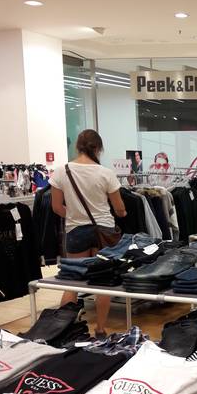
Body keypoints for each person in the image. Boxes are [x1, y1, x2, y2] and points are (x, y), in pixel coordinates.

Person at [49, 129, 127, 337]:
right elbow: (119, 209)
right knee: (103, 282)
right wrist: (122, 213)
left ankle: (63, 330)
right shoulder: (106, 173)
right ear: (98, 148)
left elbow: (56, 207)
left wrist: (75, 215)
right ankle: (100, 329)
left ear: (77, 146)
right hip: (105, 232)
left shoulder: (61, 171)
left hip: (76, 231)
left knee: (72, 283)